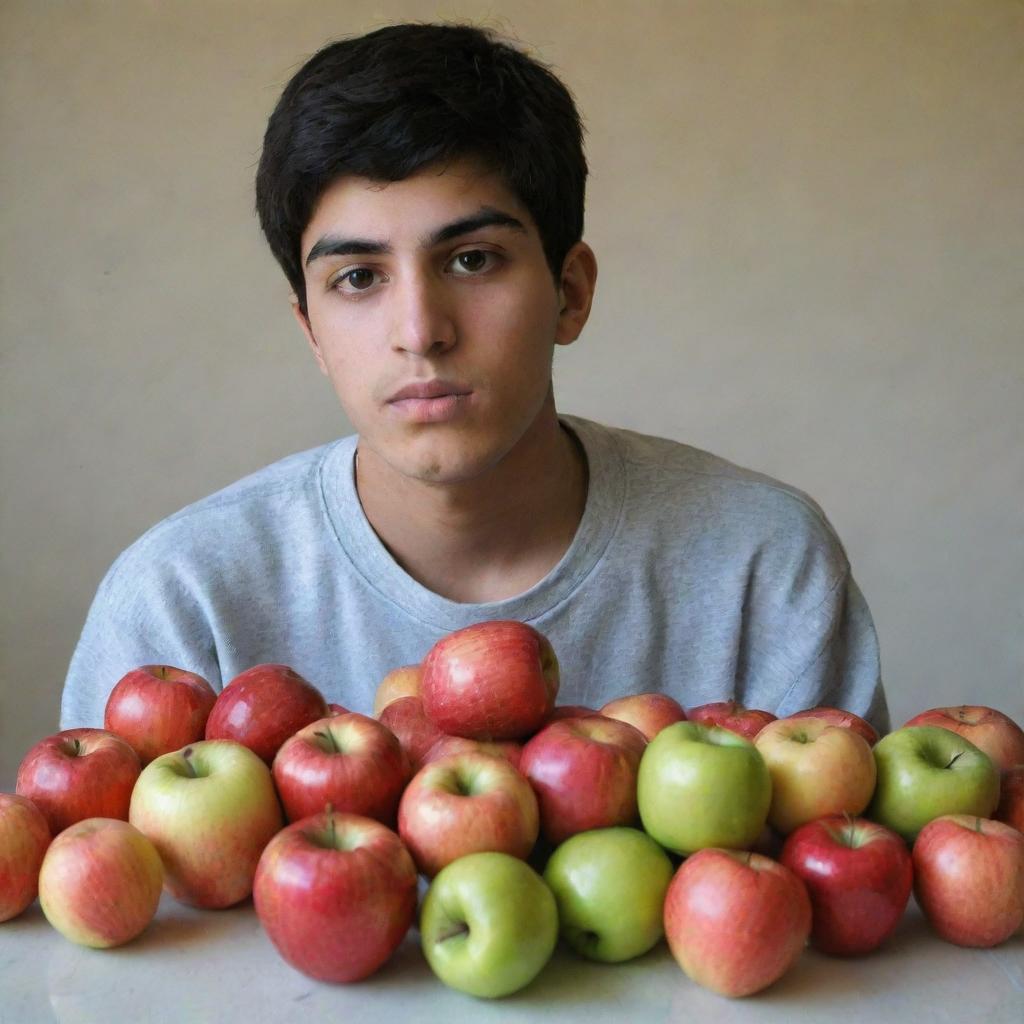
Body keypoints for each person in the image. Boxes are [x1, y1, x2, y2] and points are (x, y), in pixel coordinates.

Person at [60, 23, 889, 733]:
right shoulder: (183, 603)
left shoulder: (761, 565)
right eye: (357, 277)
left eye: (472, 259)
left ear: (570, 293)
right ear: (309, 328)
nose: (421, 332)